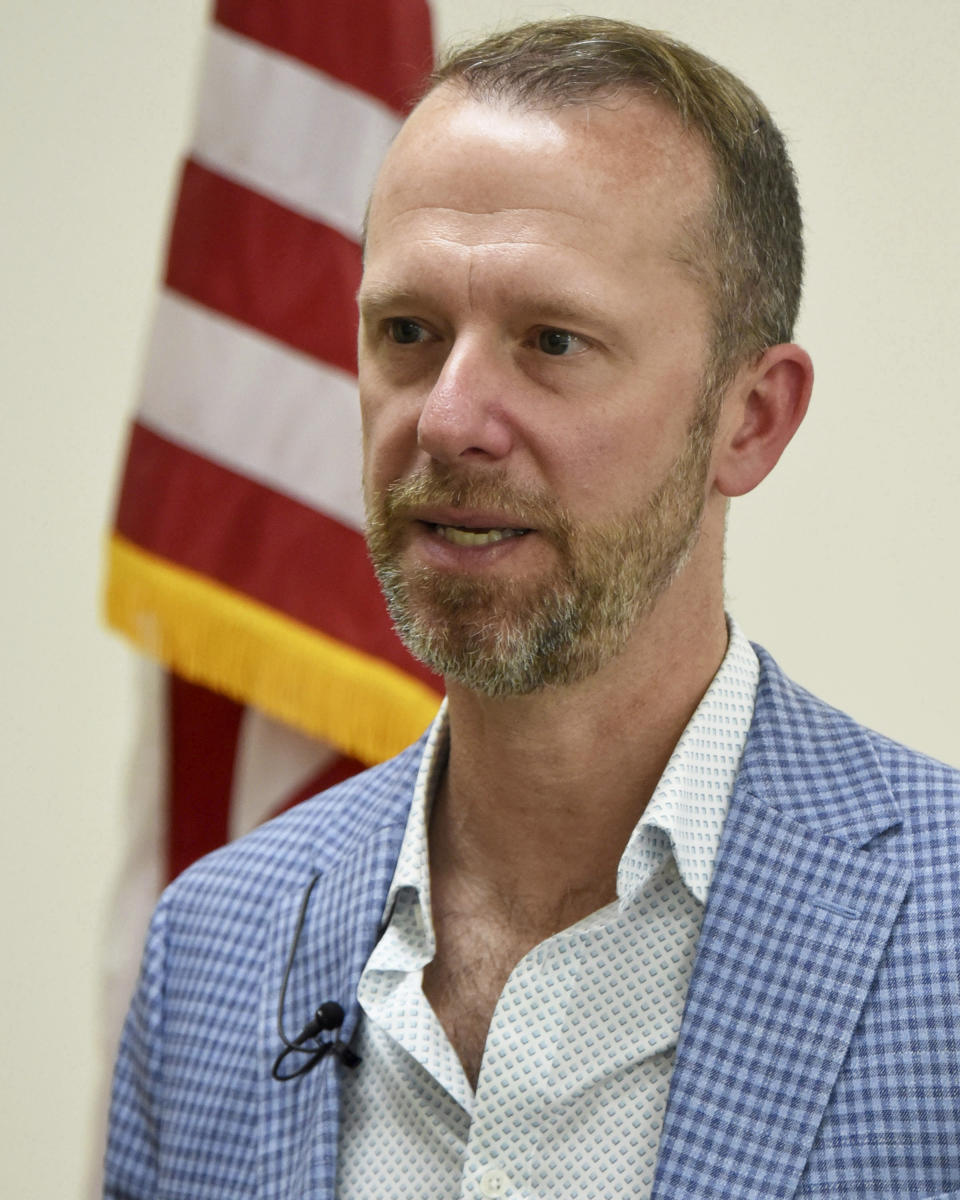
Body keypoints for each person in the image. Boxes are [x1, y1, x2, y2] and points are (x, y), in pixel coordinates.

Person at [103, 17, 960, 1199]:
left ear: (750, 419)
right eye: (407, 332)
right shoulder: (214, 947)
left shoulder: (944, 927)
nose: (449, 419)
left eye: (552, 341)